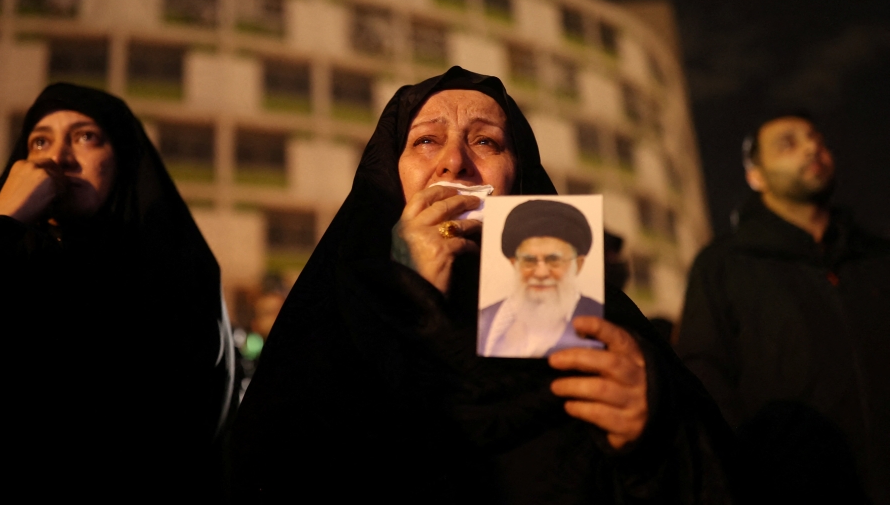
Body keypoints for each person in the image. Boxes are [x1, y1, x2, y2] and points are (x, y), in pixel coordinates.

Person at [229, 67, 737, 503]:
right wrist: (405, 293)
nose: (454, 162)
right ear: (389, 175)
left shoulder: (595, 322)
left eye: (486, 141)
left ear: (520, 177)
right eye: (426, 140)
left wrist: (653, 430)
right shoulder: (333, 315)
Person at [0, 84, 232, 501]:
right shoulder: (7, 263)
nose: (58, 158)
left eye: (86, 137)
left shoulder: (169, 271)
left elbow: (155, 431)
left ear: (122, 158)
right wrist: (2, 219)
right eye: (40, 141)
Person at [677, 114, 890, 504]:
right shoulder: (722, 265)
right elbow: (704, 378)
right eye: (788, 144)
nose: (812, 148)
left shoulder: (876, 259)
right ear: (755, 176)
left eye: (816, 139)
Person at [479, 199, 602, 357]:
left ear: (578, 265)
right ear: (514, 263)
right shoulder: (486, 319)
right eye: (529, 260)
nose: (541, 273)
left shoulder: (599, 316)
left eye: (554, 260)